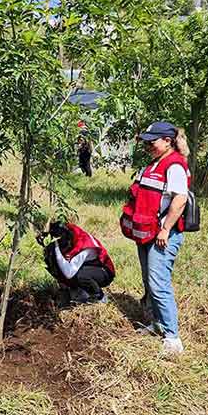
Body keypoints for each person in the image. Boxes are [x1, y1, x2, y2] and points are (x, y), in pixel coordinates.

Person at [120, 121, 191, 355]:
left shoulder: (175, 166)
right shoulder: (154, 164)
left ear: (168, 141)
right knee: (149, 280)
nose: (148, 145)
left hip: (162, 235)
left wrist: (165, 229)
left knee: (159, 282)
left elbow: (179, 200)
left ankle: (173, 339)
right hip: (146, 233)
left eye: (153, 141)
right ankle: (156, 324)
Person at [40, 221, 113, 305]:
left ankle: (99, 297)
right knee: (53, 259)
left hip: (104, 272)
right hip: (88, 267)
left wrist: (56, 247)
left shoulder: (84, 244)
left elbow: (69, 273)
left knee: (79, 275)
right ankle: (77, 291)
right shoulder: (72, 239)